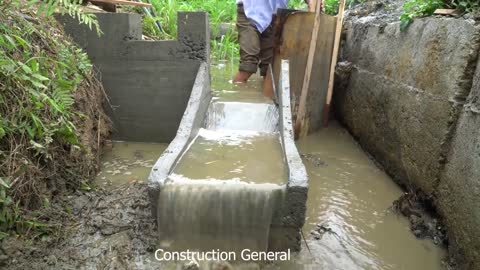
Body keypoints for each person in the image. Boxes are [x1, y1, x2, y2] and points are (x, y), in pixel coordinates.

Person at [232, 0, 289, 83]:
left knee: (270, 71)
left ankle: (264, 95)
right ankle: (237, 92)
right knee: (248, 65)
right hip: (250, 11)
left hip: (275, 16)